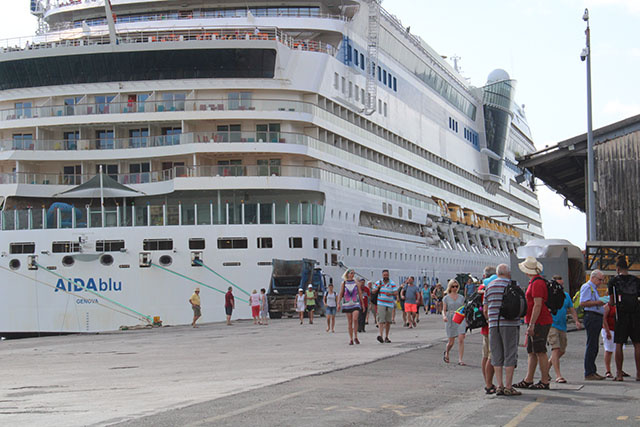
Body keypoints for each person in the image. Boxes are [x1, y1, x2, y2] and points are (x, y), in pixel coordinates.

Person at [514, 256, 552, 390]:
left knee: (540, 350)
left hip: (539, 321)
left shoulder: (537, 283)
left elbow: (538, 305)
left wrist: (532, 324)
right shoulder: (535, 282)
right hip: (537, 320)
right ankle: (528, 379)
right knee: (532, 351)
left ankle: (544, 380)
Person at [485, 264, 522, 396]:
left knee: (496, 354)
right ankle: (508, 386)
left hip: (494, 324)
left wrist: (490, 319)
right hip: (511, 323)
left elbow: (485, 309)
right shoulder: (514, 284)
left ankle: (499, 385)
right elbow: (521, 304)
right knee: (510, 354)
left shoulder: (489, 286)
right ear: (508, 273)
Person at [607, 255, 640, 381]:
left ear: (618, 268)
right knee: (637, 343)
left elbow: (611, 301)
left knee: (619, 343)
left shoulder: (614, 281)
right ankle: (638, 373)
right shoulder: (636, 280)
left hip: (621, 314)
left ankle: (619, 374)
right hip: (636, 314)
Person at [548, 275, 582, 383]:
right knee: (556, 349)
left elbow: (572, 309)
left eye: (562, 284)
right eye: (559, 284)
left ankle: (545, 368)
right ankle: (558, 375)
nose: (561, 287)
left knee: (561, 351)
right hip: (552, 325)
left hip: (562, 326)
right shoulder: (549, 295)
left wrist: (576, 320)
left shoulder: (565, 296)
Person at [579, 269, 607, 380]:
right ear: (593, 277)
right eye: (599, 279)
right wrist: (598, 302)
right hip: (591, 316)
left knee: (594, 345)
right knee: (591, 345)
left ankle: (592, 370)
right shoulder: (587, 287)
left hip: (596, 316)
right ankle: (589, 372)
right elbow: (583, 302)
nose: (600, 282)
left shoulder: (593, 289)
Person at [480, 266, 497, 394]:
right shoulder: (491, 288)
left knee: (485, 356)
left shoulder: (481, 288)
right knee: (491, 356)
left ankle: (487, 381)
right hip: (491, 325)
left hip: (484, 327)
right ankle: (489, 383)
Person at [442, 279, 466, 365]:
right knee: (451, 342)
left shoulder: (461, 297)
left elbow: (464, 309)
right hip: (450, 317)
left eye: (456, 286)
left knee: (461, 339)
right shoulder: (446, 298)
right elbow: (444, 310)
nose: (455, 288)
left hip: (460, 317)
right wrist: (444, 316)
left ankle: (460, 359)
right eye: (453, 286)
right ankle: (447, 352)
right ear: (450, 287)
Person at [337, 269, 363, 345]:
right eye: (351, 273)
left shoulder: (356, 283)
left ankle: (356, 336)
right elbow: (341, 293)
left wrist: (362, 304)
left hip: (356, 303)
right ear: (348, 274)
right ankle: (351, 338)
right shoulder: (344, 283)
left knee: (355, 319)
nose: (352, 275)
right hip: (347, 304)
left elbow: (360, 293)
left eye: (353, 273)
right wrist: (338, 303)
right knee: (350, 322)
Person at [374, 269, 398, 343]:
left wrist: (390, 294)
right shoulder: (378, 282)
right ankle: (380, 335)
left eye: (387, 275)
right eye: (384, 275)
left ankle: (386, 336)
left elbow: (396, 292)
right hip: (381, 303)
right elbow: (373, 291)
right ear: (382, 275)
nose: (385, 276)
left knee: (388, 321)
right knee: (381, 320)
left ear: (388, 275)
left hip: (389, 304)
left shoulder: (392, 283)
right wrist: (378, 287)